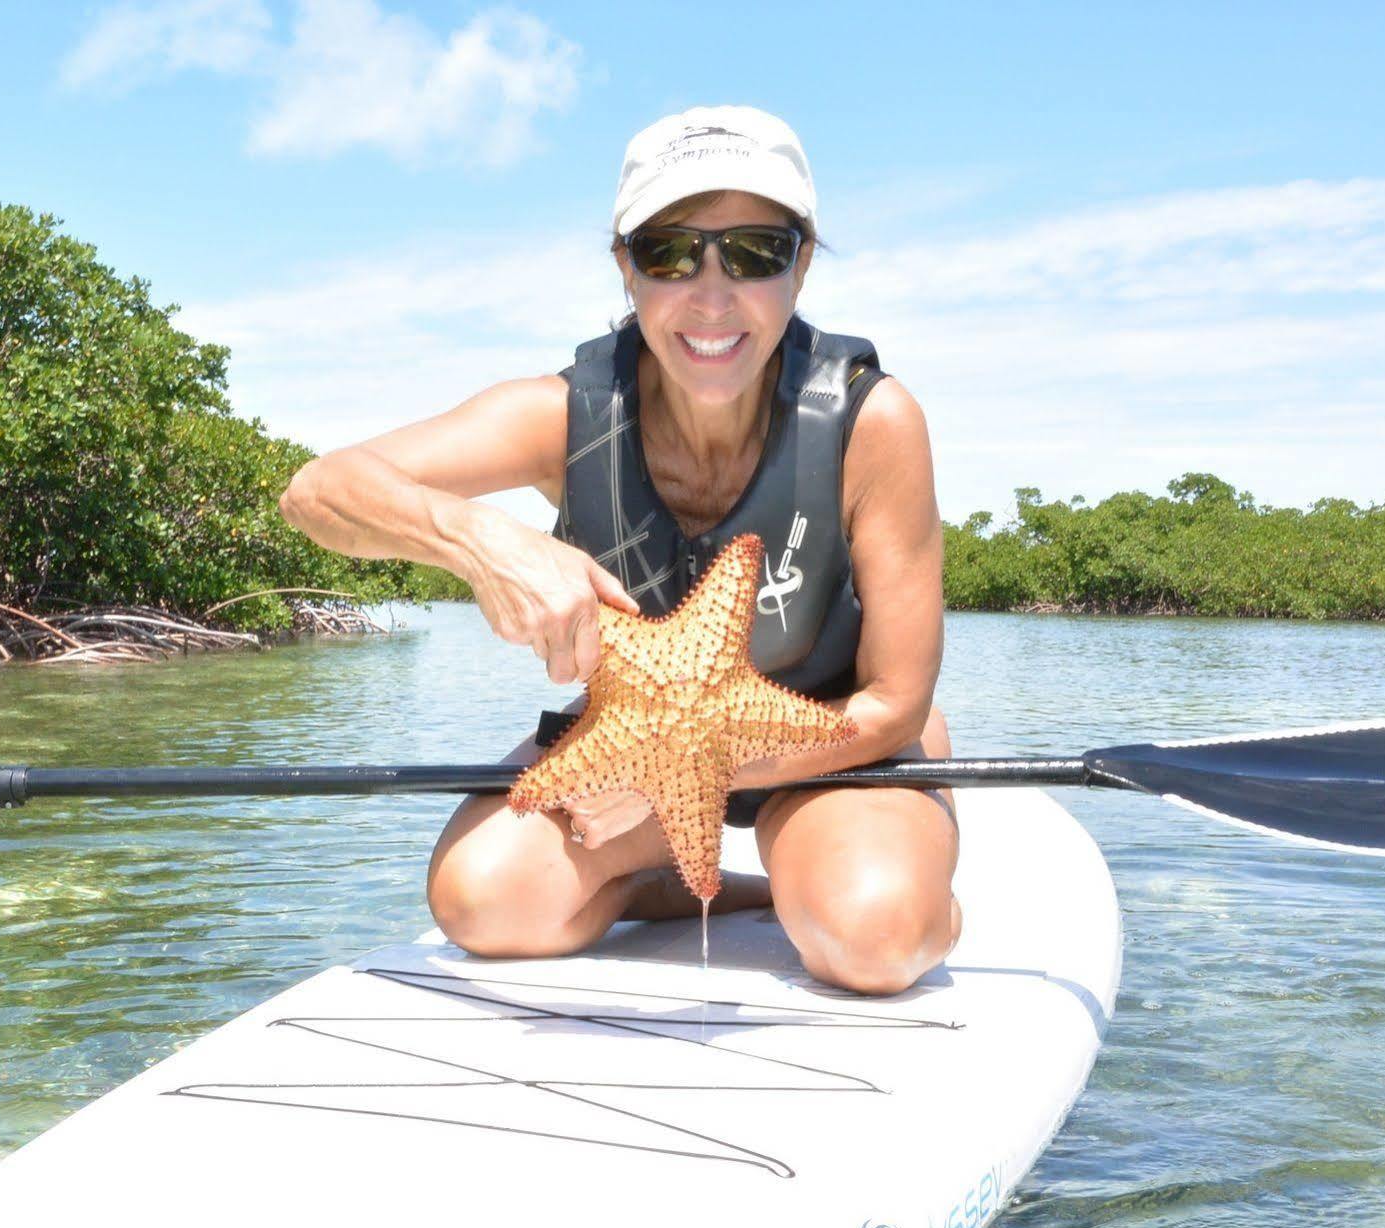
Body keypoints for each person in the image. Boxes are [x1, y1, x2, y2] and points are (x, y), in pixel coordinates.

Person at [280, 106, 957, 996]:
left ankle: (882, 887)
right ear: (624, 266)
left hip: (828, 741)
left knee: (874, 941)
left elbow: (895, 704)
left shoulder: (873, 421)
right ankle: (708, 880)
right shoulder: (561, 415)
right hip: (629, 743)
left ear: (800, 263)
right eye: (670, 251)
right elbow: (317, 491)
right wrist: (481, 541)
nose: (710, 295)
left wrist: (680, 769)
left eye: (753, 252)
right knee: (484, 904)